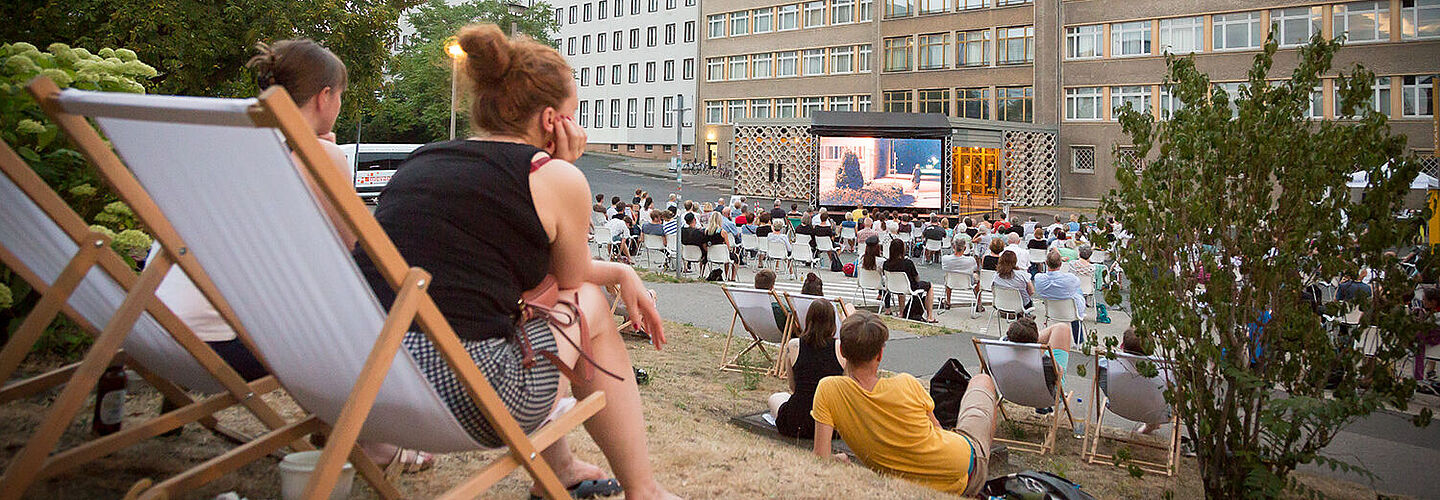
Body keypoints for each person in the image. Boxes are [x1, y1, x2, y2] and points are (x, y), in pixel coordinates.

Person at [353, 24, 678, 499]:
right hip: (467, 397)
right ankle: (642, 487)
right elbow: (565, 283)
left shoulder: (422, 160)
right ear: (551, 121)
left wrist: (621, 269)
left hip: (365, 384)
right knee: (588, 302)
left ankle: (561, 468)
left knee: (532, 307)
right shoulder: (553, 180)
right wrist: (565, 170)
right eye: (575, 114)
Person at [150, 39, 432, 474]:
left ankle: (171, 406)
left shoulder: (219, 141)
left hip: (155, 331)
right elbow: (359, 256)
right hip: (224, 347)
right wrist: (326, 156)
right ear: (325, 96)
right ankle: (375, 445)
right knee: (376, 306)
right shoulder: (319, 155)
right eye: (339, 96)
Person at [811, 312, 1000, 496]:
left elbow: (820, 457)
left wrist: (839, 459)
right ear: (880, 354)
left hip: (923, 482)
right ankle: (982, 471)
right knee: (982, 381)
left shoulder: (828, 390)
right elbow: (938, 430)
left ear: (842, 350)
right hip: (965, 466)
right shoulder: (906, 384)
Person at [769, 299, 844, 438]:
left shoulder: (794, 345)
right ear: (833, 322)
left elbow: (793, 387)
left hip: (797, 420)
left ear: (808, 320)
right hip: (829, 423)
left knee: (775, 398)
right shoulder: (840, 348)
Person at [1002, 317, 1072, 415]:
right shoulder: (1046, 362)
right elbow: (1059, 373)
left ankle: (1022, 341)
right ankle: (1029, 341)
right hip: (1044, 398)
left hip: (1012, 394)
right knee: (1062, 328)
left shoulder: (998, 353)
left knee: (1059, 329)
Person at [1033, 250, 1087, 345]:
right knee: (1077, 292)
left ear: (1046, 263)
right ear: (1061, 264)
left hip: (1052, 311)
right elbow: (1077, 283)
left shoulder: (1039, 279)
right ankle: (1079, 340)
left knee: (1074, 293)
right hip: (1070, 313)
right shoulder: (1070, 278)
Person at [883, 239, 937, 322]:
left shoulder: (886, 263)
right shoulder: (908, 263)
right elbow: (916, 277)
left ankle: (901, 312)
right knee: (930, 286)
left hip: (893, 287)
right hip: (910, 287)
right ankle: (930, 316)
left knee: (901, 288)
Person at [941, 235, 982, 318]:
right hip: (966, 283)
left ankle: (948, 301)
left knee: (948, 276)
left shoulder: (945, 259)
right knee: (976, 278)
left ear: (953, 246)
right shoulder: (970, 260)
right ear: (965, 248)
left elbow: (944, 268)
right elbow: (974, 269)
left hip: (951, 282)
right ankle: (979, 303)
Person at [705, 211, 737, 281]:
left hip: (711, 255)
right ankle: (731, 277)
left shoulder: (706, 231)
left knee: (727, 256)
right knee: (735, 258)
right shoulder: (723, 232)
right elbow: (728, 247)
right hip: (722, 255)